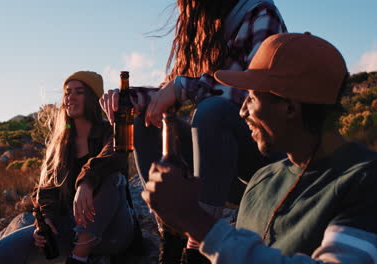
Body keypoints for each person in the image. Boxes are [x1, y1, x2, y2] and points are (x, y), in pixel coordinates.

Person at [142, 33, 377, 264]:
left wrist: (197, 223)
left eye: (251, 98)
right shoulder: (262, 182)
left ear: (290, 108)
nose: (242, 112)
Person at [101, 0, 286, 262]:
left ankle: (197, 247)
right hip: (221, 166)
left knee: (212, 111)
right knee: (145, 120)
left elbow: (254, 96)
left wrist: (181, 88)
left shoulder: (258, 12)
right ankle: (172, 235)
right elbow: (173, 91)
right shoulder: (203, 30)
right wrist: (131, 99)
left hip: (268, 161)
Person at [0, 71, 137, 264]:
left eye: (79, 92)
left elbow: (115, 157)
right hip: (72, 228)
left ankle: (79, 257)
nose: (70, 97)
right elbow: (46, 189)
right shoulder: (60, 144)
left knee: (114, 178)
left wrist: (86, 183)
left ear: (93, 98)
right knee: (1, 252)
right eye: (67, 92)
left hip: (113, 231)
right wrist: (45, 220)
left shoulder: (111, 131)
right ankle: (76, 248)